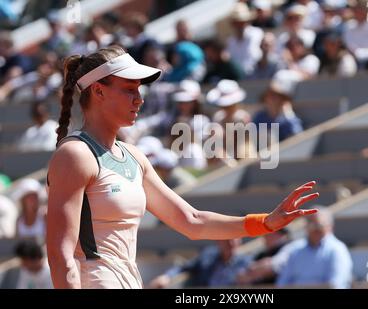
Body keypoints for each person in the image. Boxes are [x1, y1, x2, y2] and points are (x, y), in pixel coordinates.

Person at [46, 45, 320, 289]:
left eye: (139, 90)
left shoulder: (133, 156)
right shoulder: (75, 155)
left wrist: (266, 223)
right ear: (98, 91)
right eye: (129, 89)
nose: (139, 99)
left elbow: (192, 221)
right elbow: (61, 256)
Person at [274, 207, 353, 288]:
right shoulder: (295, 249)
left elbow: (335, 284)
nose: (315, 229)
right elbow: (282, 283)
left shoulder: (337, 249)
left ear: (330, 226)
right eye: (312, 225)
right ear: (306, 227)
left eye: (319, 225)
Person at [149, 239, 252, 288]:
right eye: (227, 240)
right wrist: (167, 276)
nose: (231, 243)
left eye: (234, 239)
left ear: (240, 241)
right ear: (218, 241)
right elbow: (184, 267)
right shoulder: (208, 255)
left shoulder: (247, 262)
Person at [253, 70, 303, 143]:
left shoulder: (288, 118)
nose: (271, 99)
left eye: (275, 96)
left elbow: (298, 137)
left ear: (282, 100)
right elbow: (251, 137)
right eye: (269, 95)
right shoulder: (260, 116)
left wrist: (289, 115)